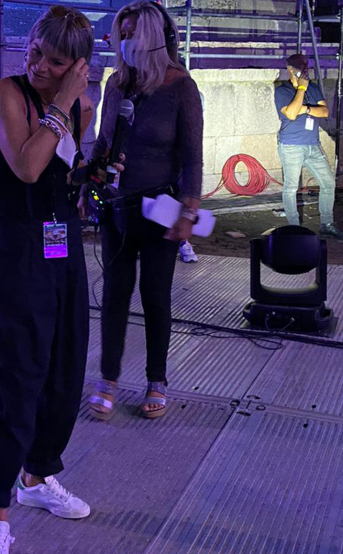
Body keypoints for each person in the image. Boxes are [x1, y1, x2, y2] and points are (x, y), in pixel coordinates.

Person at [0, 6, 95, 554]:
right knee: (14, 378)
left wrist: (96, 170)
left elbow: (64, 174)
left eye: (55, 60)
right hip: (17, 248)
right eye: (35, 52)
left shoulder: (82, 105)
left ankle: (37, 476)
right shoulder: (8, 93)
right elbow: (26, 166)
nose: (38, 65)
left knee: (64, 371)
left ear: (78, 64)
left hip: (61, 243)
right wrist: (61, 101)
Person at [86, 0, 202, 421]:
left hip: (161, 207)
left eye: (132, 33)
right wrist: (90, 179)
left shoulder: (181, 87)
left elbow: (191, 157)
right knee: (114, 294)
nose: (125, 41)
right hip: (117, 207)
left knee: (155, 295)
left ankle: (157, 380)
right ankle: (108, 378)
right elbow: (103, 140)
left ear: (155, 37)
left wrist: (189, 211)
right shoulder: (117, 84)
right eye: (122, 34)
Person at [275, 54, 343, 239]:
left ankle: (327, 224)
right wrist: (301, 88)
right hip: (291, 145)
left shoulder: (314, 88)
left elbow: (324, 112)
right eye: (300, 66)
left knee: (328, 183)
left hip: (313, 145)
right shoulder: (283, 91)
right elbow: (291, 114)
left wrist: (306, 108)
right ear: (290, 69)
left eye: (306, 65)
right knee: (291, 187)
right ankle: (294, 228)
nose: (305, 69)